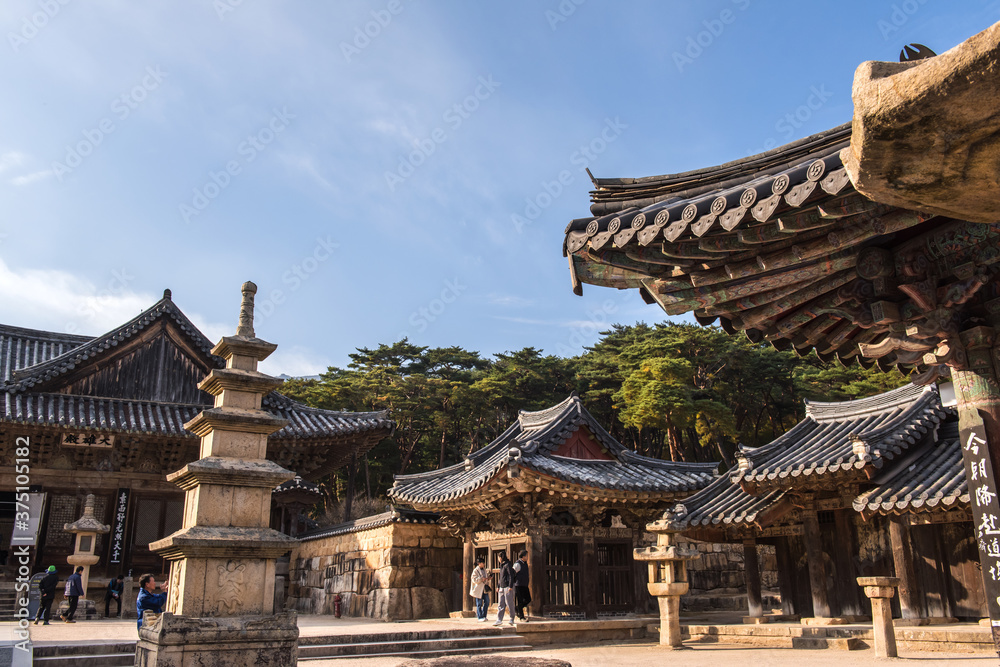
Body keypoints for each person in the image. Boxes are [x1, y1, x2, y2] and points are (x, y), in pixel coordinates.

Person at [493, 551, 516, 627]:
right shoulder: (501, 565)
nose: (498, 559)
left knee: (509, 603)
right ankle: (499, 619)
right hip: (502, 587)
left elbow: (510, 575)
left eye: (499, 558)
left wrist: (510, 586)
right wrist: (498, 586)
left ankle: (512, 618)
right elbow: (501, 577)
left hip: (507, 587)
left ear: (501, 557)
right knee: (501, 604)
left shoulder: (508, 564)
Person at [470, 556, 490, 622]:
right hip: (478, 588)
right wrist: (481, 579)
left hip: (484, 588)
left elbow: (486, 577)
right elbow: (473, 579)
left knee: (487, 601)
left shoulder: (484, 570)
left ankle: (484, 615)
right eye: (483, 563)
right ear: (479, 563)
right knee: (479, 603)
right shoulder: (475, 570)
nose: (484, 564)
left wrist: (488, 578)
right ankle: (480, 616)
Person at [513, 549, 531, 622]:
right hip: (518, 585)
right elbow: (513, 573)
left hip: (524, 585)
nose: (527, 557)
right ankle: (521, 617)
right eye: (526, 556)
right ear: (523, 556)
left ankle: (517, 608)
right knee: (520, 601)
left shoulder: (525, 563)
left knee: (528, 599)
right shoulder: (517, 564)